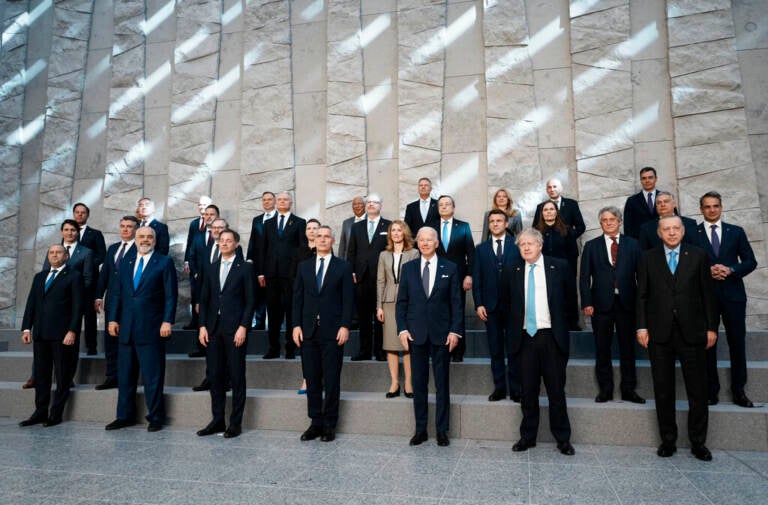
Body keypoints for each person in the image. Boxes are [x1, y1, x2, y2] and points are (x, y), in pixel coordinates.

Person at [636, 216, 717, 461]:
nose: (671, 233)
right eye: (666, 229)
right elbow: (642, 296)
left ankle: (698, 443)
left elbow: (708, 295)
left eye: (675, 228)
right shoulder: (647, 257)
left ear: (683, 231)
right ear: (659, 233)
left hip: (693, 332)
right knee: (663, 390)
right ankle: (668, 440)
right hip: (659, 334)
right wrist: (641, 327)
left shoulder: (699, 255)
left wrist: (711, 328)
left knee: (698, 391)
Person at [506, 228, 576, 456]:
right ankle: (527, 437)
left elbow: (569, 300)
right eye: (522, 244)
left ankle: (563, 439)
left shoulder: (559, 266)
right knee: (528, 392)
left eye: (530, 244)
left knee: (556, 391)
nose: (526, 247)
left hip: (551, 337)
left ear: (540, 245)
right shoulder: (512, 270)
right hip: (525, 338)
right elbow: (507, 304)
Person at [106, 226, 178, 432]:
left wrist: (167, 321)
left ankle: (155, 417)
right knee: (125, 376)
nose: (145, 240)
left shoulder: (164, 262)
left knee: (152, 376)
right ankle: (124, 416)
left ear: (155, 240)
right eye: (142, 237)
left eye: (149, 237)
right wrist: (112, 319)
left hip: (152, 328)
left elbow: (170, 296)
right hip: (125, 328)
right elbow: (117, 294)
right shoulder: (126, 262)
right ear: (135, 239)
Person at [396, 227, 463, 447]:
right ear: (417, 243)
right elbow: (402, 303)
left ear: (436, 243)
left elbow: (456, 303)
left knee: (442, 384)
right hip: (416, 335)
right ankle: (421, 429)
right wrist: (402, 329)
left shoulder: (450, 268)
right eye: (421, 240)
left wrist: (455, 331)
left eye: (429, 240)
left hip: (442, 335)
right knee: (418, 383)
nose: (425, 243)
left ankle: (442, 430)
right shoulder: (408, 269)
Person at [293, 225, 355, 443]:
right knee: (311, 377)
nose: (322, 239)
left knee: (331, 379)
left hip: (333, 331)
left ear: (333, 240)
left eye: (326, 236)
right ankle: (315, 422)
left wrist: (345, 326)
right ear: (314, 239)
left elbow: (348, 300)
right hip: (308, 331)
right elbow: (297, 299)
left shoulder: (343, 267)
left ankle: (330, 424)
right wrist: (296, 325)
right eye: (318, 236)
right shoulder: (304, 267)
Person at [696, 191, 757, 408]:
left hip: (733, 296)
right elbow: (689, 265)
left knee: (737, 343)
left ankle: (739, 391)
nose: (711, 210)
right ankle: (711, 391)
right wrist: (708, 271)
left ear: (721, 207)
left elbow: (750, 261)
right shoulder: (693, 233)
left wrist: (731, 269)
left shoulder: (736, 232)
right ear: (701, 209)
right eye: (707, 206)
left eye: (715, 206)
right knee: (707, 344)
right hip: (706, 297)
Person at [579, 207, 644, 404]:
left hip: (627, 304)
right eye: (604, 220)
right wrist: (587, 302)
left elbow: (641, 276)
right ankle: (605, 389)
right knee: (602, 349)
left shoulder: (634, 245)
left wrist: (641, 304)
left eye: (612, 219)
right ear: (600, 224)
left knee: (627, 349)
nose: (608, 223)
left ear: (620, 221)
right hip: (600, 305)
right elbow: (583, 278)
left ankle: (628, 390)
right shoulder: (591, 246)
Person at [196, 229, 255, 439]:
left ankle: (235, 423)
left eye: (229, 241)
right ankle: (217, 420)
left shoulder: (245, 269)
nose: (225, 243)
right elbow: (203, 300)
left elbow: (250, 302)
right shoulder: (210, 268)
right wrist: (202, 326)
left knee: (237, 376)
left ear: (236, 244)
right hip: (212, 329)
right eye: (222, 240)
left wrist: (243, 327)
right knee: (214, 375)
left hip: (235, 329)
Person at [19, 245, 83, 427]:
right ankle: (40, 411)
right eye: (52, 253)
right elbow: (31, 303)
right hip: (40, 333)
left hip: (62, 335)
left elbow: (78, 307)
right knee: (41, 374)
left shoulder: (74, 276)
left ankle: (56, 413)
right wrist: (26, 329)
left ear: (67, 255)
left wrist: (72, 331)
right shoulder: (39, 277)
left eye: (59, 252)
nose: (55, 255)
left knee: (62, 375)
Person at [473, 210, 521, 402]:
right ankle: (500, 388)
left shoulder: (517, 246)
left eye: (499, 221)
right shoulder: (481, 249)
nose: (495, 224)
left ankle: (516, 389)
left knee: (514, 348)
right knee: (495, 349)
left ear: (506, 223)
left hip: (513, 306)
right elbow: (477, 279)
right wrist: (479, 304)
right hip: (490, 307)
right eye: (492, 221)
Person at [190, 218, 243, 391]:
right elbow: (203, 278)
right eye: (215, 228)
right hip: (210, 306)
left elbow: (238, 280)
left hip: (230, 312)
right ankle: (211, 378)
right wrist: (198, 300)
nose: (218, 230)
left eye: (221, 228)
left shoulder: (236, 250)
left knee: (228, 355)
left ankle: (225, 380)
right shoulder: (206, 249)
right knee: (212, 352)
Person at [258, 192, 307, 359]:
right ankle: (273, 348)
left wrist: (299, 272)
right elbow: (262, 249)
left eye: (285, 199)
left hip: (291, 275)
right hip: (271, 274)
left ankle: (291, 348)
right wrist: (261, 272)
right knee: (272, 312)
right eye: (279, 199)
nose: (282, 201)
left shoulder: (299, 223)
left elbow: (302, 248)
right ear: (276, 203)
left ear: (291, 202)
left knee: (291, 310)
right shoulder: (268, 223)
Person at [93, 216, 138, 390]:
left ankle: (127, 377)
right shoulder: (112, 249)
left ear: (136, 229)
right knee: (110, 341)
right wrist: (98, 296)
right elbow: (105, 273)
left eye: (129, 226)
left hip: (130, 303)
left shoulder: (139, 248)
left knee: (127, 341)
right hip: (112, 302)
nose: (125, 229)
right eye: (122, 226)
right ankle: (111, 376)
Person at [376, 220, 419, 398]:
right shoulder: (383, 255)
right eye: (392, 230)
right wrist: (378, 306)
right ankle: (394, 383)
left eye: (399, 230)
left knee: (407, 343)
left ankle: (409, 382)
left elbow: (417, 279)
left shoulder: (414, 253)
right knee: (391, 345)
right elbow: (380, 281)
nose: (395, 233)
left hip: (409, 301)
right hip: (388, 301)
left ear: (404, 233)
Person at [347, 193, 391, 361]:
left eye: (375, 202)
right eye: (369, 203)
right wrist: (351, 271)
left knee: (381, 316)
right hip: (361, 277)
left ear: (380, 206)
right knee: (364, 316)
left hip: (382, 277)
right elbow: (351, 251)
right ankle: (364, 351)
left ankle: (380, 351)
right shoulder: (357, 227)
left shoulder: (388, 225)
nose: (371, 205)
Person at [435, 195, 474, 362]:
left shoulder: (463, 227)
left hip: (458, 277)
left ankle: (458, 352)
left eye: (447, 204)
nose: (444, 207)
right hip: (435, 278)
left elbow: (471, 253)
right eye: (441, 205)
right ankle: (441, 349)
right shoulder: (430, 227)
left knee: (457, 311)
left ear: (453, 207)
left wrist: (469, 275)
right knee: (439, 312)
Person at [534, 201, 579, 328]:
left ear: (556, 212)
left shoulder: (566, 229)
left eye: (551, 209)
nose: (548, 212)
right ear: (541, 213)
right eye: (545, 210)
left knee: (566, 299)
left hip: (564, 272)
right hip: (542, 272)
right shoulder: (536, 231)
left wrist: (571, 274)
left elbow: (573, 253)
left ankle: (571, 325)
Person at [73, 202, 106, 355]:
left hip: (89, 279)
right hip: (72, 280)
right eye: (77, 212)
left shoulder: (95, 234)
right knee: (72, 312)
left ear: (87, 215)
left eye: (83, 212)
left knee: (89, 314)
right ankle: (71, 343)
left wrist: (87, 265)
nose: (80, 215)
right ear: (74, 214)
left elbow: (101, 255)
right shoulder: (69, 232)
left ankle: (91, 346)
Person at [187, 204, 220, 356]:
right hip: (200, 282)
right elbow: (191, 256)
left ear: (217, 217)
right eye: (206, 214)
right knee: (200, 314)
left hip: (219, 285)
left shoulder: (225, 238)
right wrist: (194, 273)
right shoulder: (198, 237)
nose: (208, 217)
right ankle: (201, 347)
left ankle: (214, 348)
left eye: (211, 214)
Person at [295, 218, 322, 394]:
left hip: (323, 308)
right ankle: (306, 378)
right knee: (306, 346)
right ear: (305, 232)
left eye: (315, 229)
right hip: (306, 306)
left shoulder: (326, 251)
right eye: (309, 228)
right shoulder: (298, 252)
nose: (312, 231)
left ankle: (321, 379)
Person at [246, 191, 276, 329]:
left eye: (269, 199)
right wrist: (249, 259)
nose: (267, 202)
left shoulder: (280, 218)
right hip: (259, 262)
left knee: (275, 295)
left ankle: (277, 324)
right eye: (264, 200)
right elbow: (253, 240)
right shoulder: (257, 220)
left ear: (274, 201)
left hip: (275, 264)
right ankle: (259, 322)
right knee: (259, 293)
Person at [183, 195, 213, 330]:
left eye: (205, 205)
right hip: (195, 265)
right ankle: (194, 321)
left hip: (209, 267)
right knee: (195, 294)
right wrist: (186, 261)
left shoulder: (216, 224)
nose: (202, 207)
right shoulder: (194, 224)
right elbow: (190, 243)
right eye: (200, 205)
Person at [623, 166, 660, 239]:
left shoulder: (666, 197)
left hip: (663, 242)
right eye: (644, 178)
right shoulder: (631, 201)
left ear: (656, 179)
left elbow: (675, 219)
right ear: (640, 180)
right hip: (641, 244)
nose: (647, 180)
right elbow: (628, 227)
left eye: (650, 177)